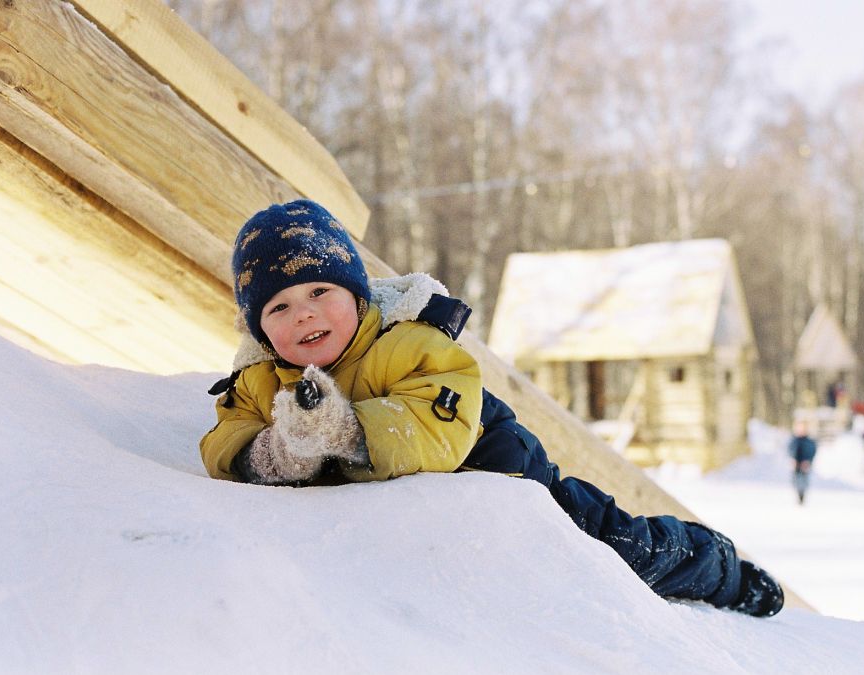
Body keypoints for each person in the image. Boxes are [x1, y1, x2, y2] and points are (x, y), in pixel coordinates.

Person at [200, 199, 784, 618]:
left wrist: (344, 432)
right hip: (449, 524)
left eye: (319, 292)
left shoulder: (409, 343)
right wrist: (280, 453)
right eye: (278, 307)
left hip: (507, 472)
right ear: (257, 327)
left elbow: (436, 430)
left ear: (356, 294)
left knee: (620, 552)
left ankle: (722, 569)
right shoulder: (258, 381)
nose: (303, 315)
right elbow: (225, 441)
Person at [787, 420, 817, 505]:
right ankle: (797, 493)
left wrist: (808, 461)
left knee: (803, 479)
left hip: (804, 464)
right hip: (796, 463)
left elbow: (812, 451)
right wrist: (792, 459)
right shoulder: (794, 440)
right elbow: (790, 450)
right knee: (795, 479)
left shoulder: (809, 441)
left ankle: (802, 495)